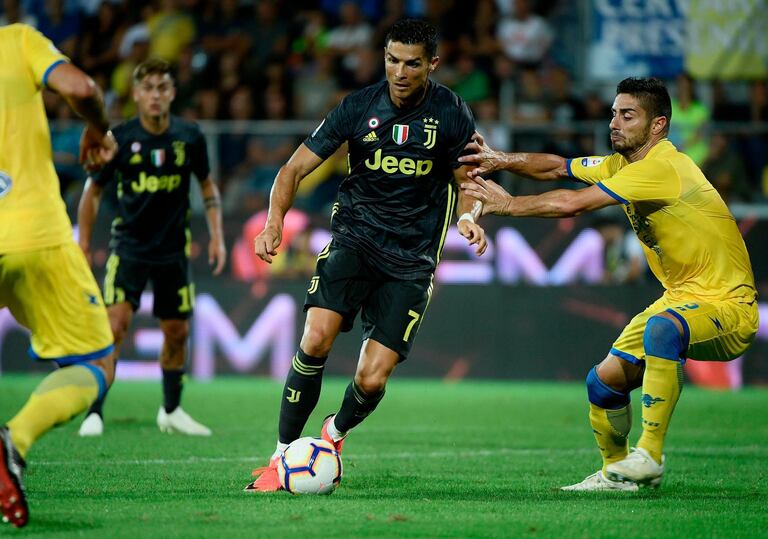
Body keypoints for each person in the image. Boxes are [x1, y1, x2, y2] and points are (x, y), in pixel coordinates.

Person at [459, 77, 758, 491]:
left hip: (729, 306)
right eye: (614, 113)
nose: (614, 122)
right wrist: (502, 159)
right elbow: (558, 168)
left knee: (663, 329)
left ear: (658, 125)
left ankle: (649, 455)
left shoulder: (662, 167)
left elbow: (573, 204)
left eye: (627, 115)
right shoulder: (624, 164)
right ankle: (617, 473)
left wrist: (506, 204)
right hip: (680, 299)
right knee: (604, 382)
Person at [245, 18, 488, 491]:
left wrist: (470, 215)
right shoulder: (358, 107)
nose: (400, 71)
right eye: (392, 60)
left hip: (411, 261)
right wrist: (274, 220)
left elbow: (469, 180)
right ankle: (279, 458)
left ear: (431, 65)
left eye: (412, 63)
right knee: (315, 339)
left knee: (373, 379)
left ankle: (332, 435)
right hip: (354, 241)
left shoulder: (453, 113)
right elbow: (293, 169)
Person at [0, 0, 117, 527]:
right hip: (36, 232)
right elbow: (81, 89)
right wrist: (97, 128)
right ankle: (16, 438)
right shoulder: (16, 40)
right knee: (95, 362)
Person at [76, 58, 226, 437]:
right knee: (114, 327)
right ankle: (94, 412)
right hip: (128, 248)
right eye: (148, 89)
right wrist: (82, 244)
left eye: (162, 87)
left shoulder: (189, 136)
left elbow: (207, 186)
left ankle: (171, 410)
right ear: (137, 95)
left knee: (176, 332)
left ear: (172, 93)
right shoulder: (119, 138)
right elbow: (92, 192)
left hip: (173, 251)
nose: (156, 95)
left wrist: (217, 236)